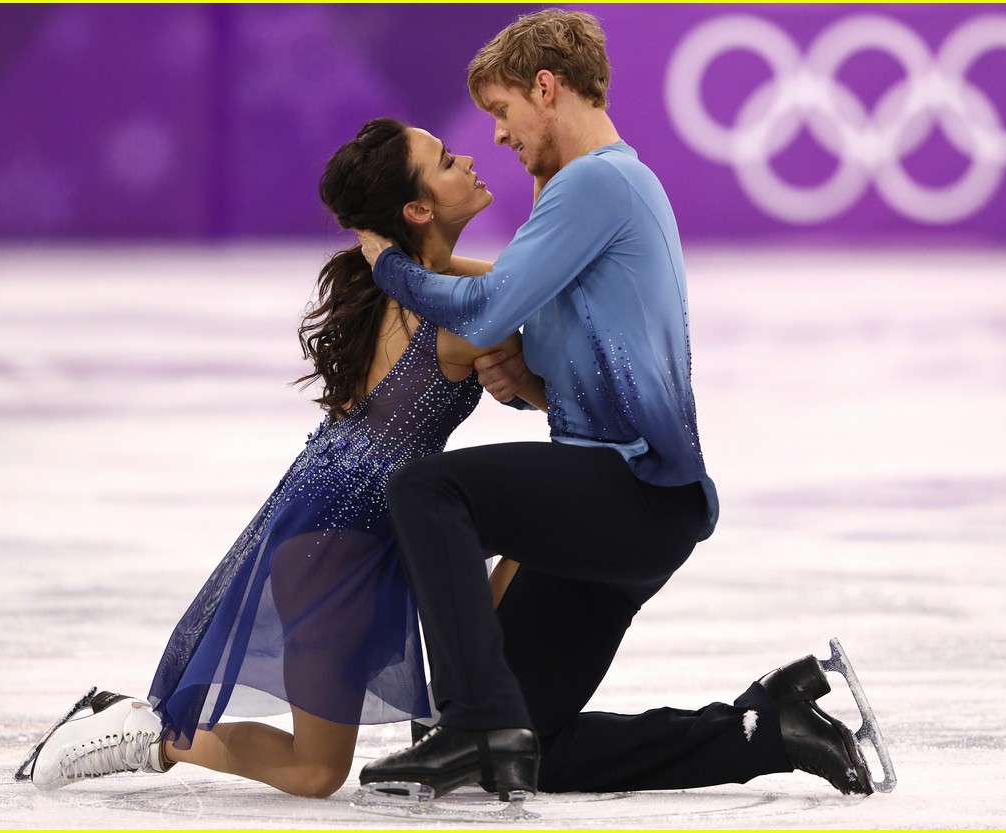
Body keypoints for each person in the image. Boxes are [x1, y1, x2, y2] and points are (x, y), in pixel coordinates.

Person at [356, 8, 877, 802]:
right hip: (629, 504)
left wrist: (387, 263)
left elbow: (490, 308)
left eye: (501, 112)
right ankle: (759, 728)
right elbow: (586, 368)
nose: (497, 135)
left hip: (632, 492)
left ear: (545, 86)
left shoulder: (597, 182)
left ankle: (472, 723)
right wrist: (533, 388)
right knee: (533, 749)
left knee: (426, 490)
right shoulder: (599, 187)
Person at [16, 117, 545, 799]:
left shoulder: (418, 283)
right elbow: (537, 342)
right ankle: (141, 732)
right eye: (446, 160)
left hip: (382, 524)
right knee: (315, 770)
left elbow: (510, 294)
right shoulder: (462, 314)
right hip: (332, 545)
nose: (469, 158)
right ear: (416, 210)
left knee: (538, 527)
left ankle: (467, 710)